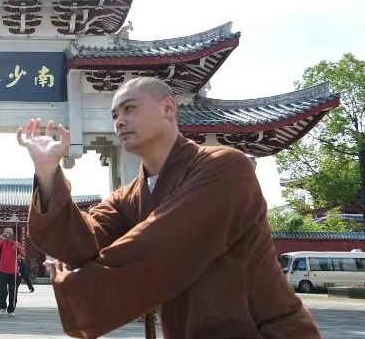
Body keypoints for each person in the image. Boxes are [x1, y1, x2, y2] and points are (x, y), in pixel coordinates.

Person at [18, 77, 321, 338]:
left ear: (168, 108)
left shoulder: (227, 168)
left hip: (264, 331)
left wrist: (72, 285)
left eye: (129, 108)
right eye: (114, 115)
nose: (119, 121)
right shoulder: (128, 196)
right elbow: (82, 242)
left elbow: (161, 247)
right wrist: (47, 171)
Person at [0, 227, 23, 316]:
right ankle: (2, 308)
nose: (8, 236)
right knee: (2, 290)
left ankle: (11, 309)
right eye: (6, 234)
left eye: (10, 234)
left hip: (14, 272)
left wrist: (19, 248)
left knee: (13, 291)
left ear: (13, 235)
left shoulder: (16, 244)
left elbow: (24, 254)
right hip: (2, 270)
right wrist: (0, 237)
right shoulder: (1, 243)